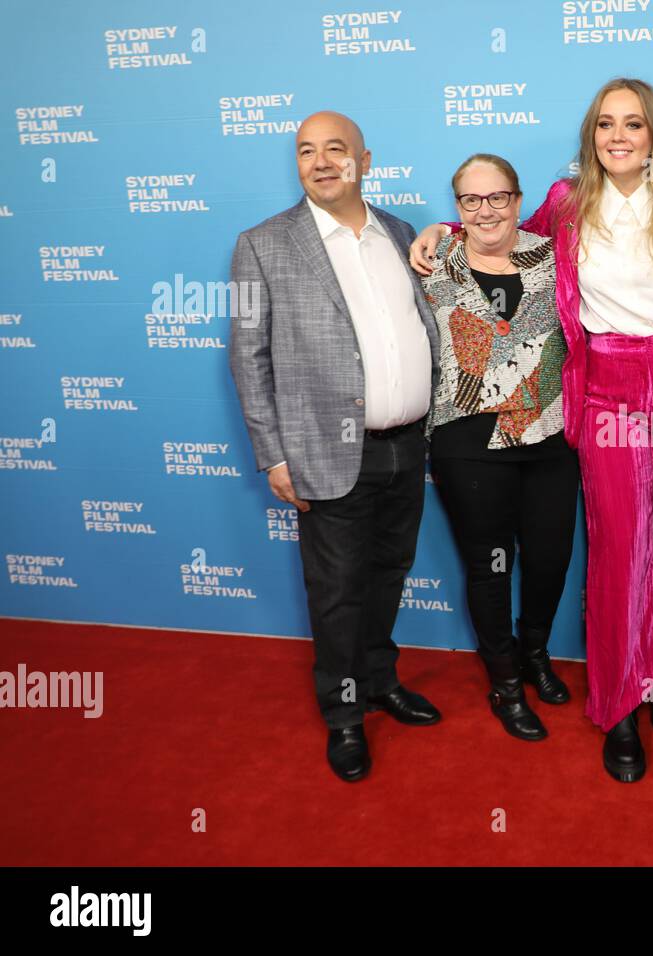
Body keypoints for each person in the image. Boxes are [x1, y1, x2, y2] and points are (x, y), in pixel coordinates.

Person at [411, 79, 653, 783]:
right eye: (606, 124)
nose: (619, 136)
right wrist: (446, 230)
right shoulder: (566, 202)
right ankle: (620, 706)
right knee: (620, 552)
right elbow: (499, 234)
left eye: (634, 124)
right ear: (592, 135)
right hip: (607, 390)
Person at [229, 111, 443, 784]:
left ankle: (380, 680)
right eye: (306, 152)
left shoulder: (400, 234)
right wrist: (272, 453)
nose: (320, 162)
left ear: (365, 160)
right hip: (323, 450)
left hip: (407, 446)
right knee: (337, 592)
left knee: (388, 574)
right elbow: (248, 355)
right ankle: (345, 714)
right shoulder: (262, 244)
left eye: (335, 150)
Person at [419, 153, 579, 741]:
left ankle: (535, 653)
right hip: (468, 440)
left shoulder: (557, 255)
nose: (485, 210)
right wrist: (437, 231)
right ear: (457, 207)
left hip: (550, 434)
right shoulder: (434, 260)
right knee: (489, 563)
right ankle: (505, 679)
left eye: (498, 197)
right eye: (470, 200)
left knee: (550, 556)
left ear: (517, 199)